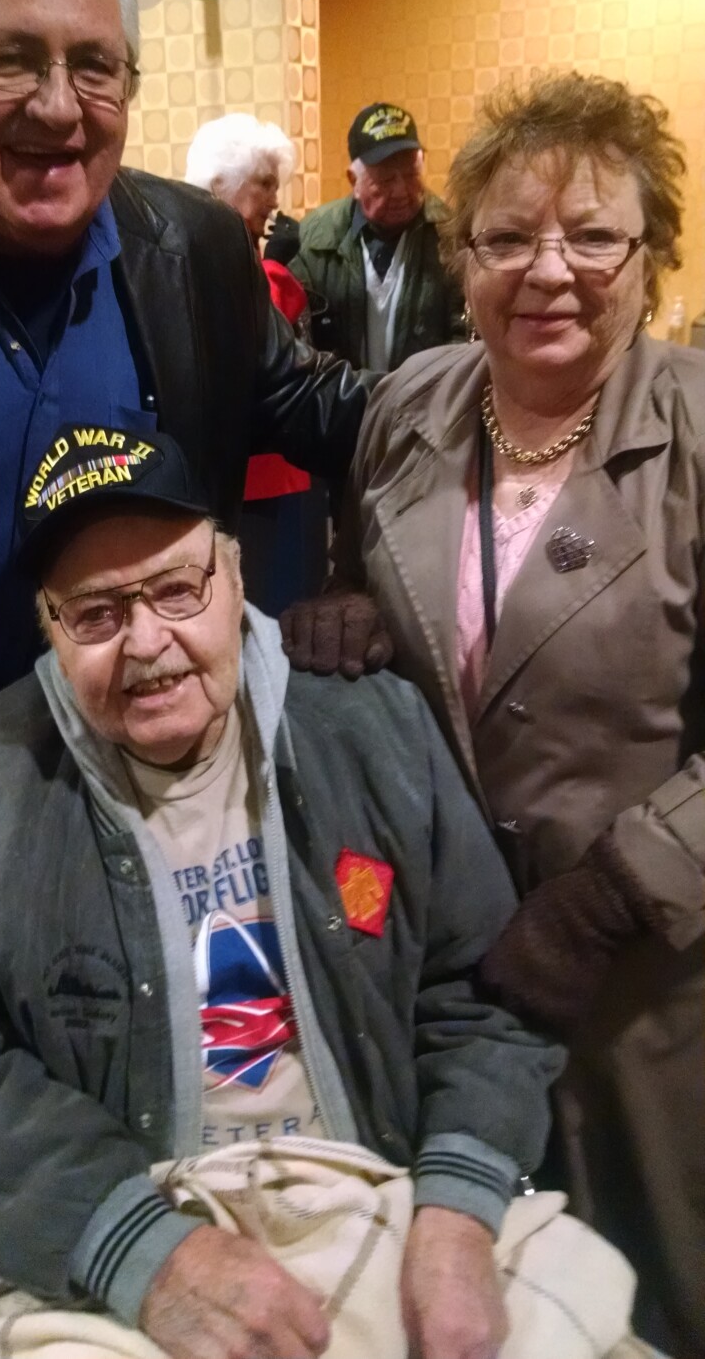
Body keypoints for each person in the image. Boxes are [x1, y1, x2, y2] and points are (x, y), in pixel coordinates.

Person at [0, 426, 566, 1359]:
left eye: (177, 588)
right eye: (94, 612)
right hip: (108, 1245)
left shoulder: (373, 731)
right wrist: (138, 1245)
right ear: (47, 627)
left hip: (390, 1192)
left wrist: (458, 1205)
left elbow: (481, 995)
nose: (147, 643)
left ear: (235, 571)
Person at [0, 0, 371, 944]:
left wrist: (523, 382)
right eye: (10, 58)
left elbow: (315, 409)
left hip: (165, 825)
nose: (60, 105)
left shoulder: (198, 249)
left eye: (93, 64)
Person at [290, 71, 703, 1356]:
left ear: (653, 256)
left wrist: (615, 896)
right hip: (449, 990)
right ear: (458, 254)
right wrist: (346, 613)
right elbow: (381, 586)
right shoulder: (408, 409)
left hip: (651, 994)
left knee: (660, 1299)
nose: (549, 271)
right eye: (509, 236)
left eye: (593, 235)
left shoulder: (695, 428)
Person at [185, 112, 327, 614]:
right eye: (264, 184)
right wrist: (275, 271)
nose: (274, 199)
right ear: (220, 185)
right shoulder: (236, 266)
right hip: (261, 478)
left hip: (265, 473)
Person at [289, 102, 465, 369]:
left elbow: (465, 334)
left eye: (411, 175)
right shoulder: (316, 236)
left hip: (423, 401)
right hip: (343, 402)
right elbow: (300, 339)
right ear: (354, 182)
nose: (401, 191)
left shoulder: (450, 233)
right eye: (385, 180)